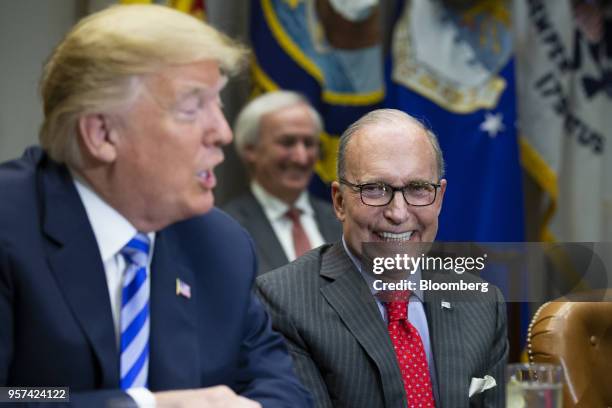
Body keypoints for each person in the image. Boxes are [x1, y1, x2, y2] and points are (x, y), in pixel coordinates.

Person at [0, 5, 311, 408]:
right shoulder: (9, 223)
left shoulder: (221, 245)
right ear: (102, 133)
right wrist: (146, 406)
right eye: (192, 108)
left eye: (217, 104)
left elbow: (283, 390)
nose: (223, 132)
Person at [255, 109, 508, 407]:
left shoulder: (482, 304)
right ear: (339, 202)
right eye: (374, 189)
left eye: (417, 189)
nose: (398, 214)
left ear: (439, 198)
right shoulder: (284, 302)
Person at [224, 91, 341, 274]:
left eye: (309, 143)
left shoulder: (342, 222)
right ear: (250, 149)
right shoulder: (226, 230)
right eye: (287, 143)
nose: (301, 158)